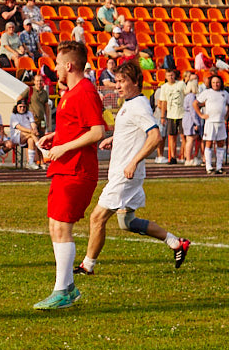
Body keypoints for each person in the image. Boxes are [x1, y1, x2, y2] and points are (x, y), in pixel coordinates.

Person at [74, 60, 190, 277]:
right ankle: (176, 243)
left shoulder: (138, 105)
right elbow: (133, 133)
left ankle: (87, 266)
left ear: (136, 81)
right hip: (126, 172)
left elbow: (155, 136)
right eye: (116, 81)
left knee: (97, 218)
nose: (118, 86)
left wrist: (134, 161)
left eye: (122, 81)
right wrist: (114, 140)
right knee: (127, 222)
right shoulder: (129, 102)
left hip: (125, 175)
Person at [33, 40, 106, 310]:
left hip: (77, 169)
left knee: (62, 227)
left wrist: (63, 146)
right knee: (55, 225)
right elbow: (80, 127)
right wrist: (57, 137)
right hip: (65, 167)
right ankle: (68, 288)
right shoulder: (71, 93)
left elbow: (98, 131)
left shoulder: (84, 91)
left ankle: (62, 290)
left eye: (57, 63)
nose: (54, 69)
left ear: (69, 65)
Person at [195, 74, 229, 174]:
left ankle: (219, 166)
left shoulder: (225, 94)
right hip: (210, 123)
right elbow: (195, 103)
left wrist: (226, 116)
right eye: (213, 82)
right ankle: (208, 166)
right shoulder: (207, 92)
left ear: (221, 83)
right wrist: (201, 115)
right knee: (208, 143)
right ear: (211, 83)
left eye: (217, 82)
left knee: (220, 144)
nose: (215, 84)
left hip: (221, 122)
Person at [153, 69, 186, 165]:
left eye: (172, 75)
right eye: (168, 75)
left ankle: (183, 155)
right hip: (171, 115)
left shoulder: (181, 84)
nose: (170, 77)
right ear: (166, 77)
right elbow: (163, 102)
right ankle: (173, 156)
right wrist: (163, 116)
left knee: (184, 136)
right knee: (172, 137)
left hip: (182, 113)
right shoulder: (164, 87)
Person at [9, 97, 41, 170]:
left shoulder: (29, 113)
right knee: (31, 135)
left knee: (31, 140)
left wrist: (35, 129)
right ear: (16, 107)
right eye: (20, 106)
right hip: (16, 136)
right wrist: (32, 132)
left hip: (29, 135)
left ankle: (30, 162)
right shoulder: (13, 115)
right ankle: (41, 147)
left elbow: (33, 123)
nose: (22, 108)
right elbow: (19, 127)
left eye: (24, 107)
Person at [182, 72, 204, 166]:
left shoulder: (188, 96)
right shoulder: (191, 97)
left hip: (187, 118)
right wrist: (197, 123)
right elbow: (193, 111)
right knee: (190, 139)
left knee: (189, 139)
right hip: (190, 119)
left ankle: (189, 158)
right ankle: (188, 159)